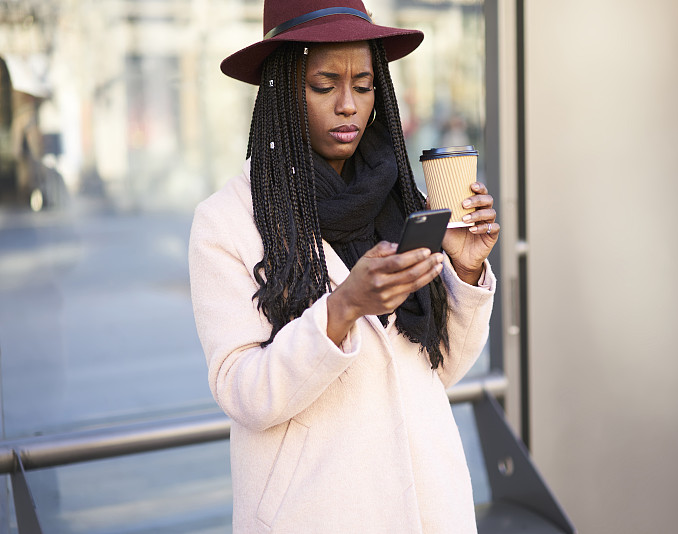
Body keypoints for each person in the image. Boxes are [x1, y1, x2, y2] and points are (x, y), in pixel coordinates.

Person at [188, 1, 500, 532]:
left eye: (363, 84)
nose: (348, 105)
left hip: (430, 508)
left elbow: (436, 370)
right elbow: (243, 392)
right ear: (283, 90)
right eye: (324, 84)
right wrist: (341, 311)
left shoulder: (399, 195)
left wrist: (465, 274)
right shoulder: (227, 221)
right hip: (316, 514)